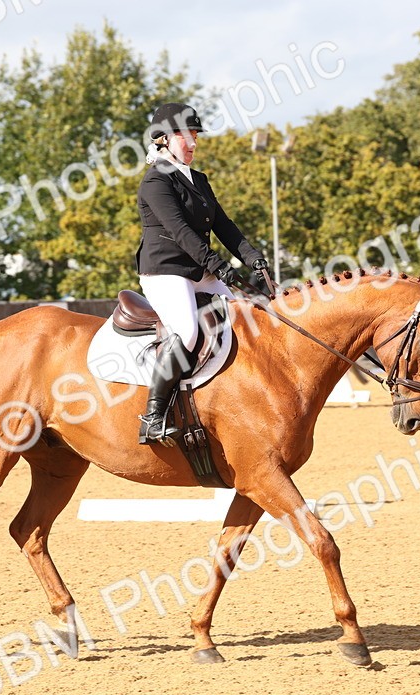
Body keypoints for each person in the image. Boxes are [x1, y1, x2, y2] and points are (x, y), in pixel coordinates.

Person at [134, 102, 272, 446]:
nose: (193, 143)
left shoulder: (198, 179)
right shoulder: (155, 181)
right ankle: (153, 417)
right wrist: (218, 265)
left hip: (200, 269)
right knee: (187, 331)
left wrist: (252, 257)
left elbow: (224, 226)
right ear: (165, 139)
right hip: (166, 271)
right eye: (187, 136)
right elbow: (180, 232)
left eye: (195, 135)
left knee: (248, 320)